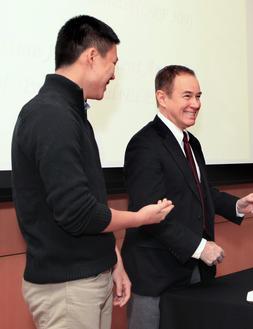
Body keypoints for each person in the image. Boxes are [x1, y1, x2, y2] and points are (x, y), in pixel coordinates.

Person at [11, 15, 174, 329]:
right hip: (68, 289)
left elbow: (90, 200)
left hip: (86, 279)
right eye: (113, 63)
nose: (114, 75)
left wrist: (114, 260)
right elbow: (79, 213)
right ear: (90, 57)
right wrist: (142, 218)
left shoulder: (70, 111)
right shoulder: (52, 114)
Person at [121, 65, 253, 329]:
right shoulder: (144, 144)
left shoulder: (191, 142)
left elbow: (199, 191)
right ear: (162, 98)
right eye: (187, 96)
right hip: (156, 276)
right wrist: (200, 247)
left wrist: (236, 205)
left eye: (199, 96)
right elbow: (149, 213)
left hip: (194, 272)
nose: (196, 104)